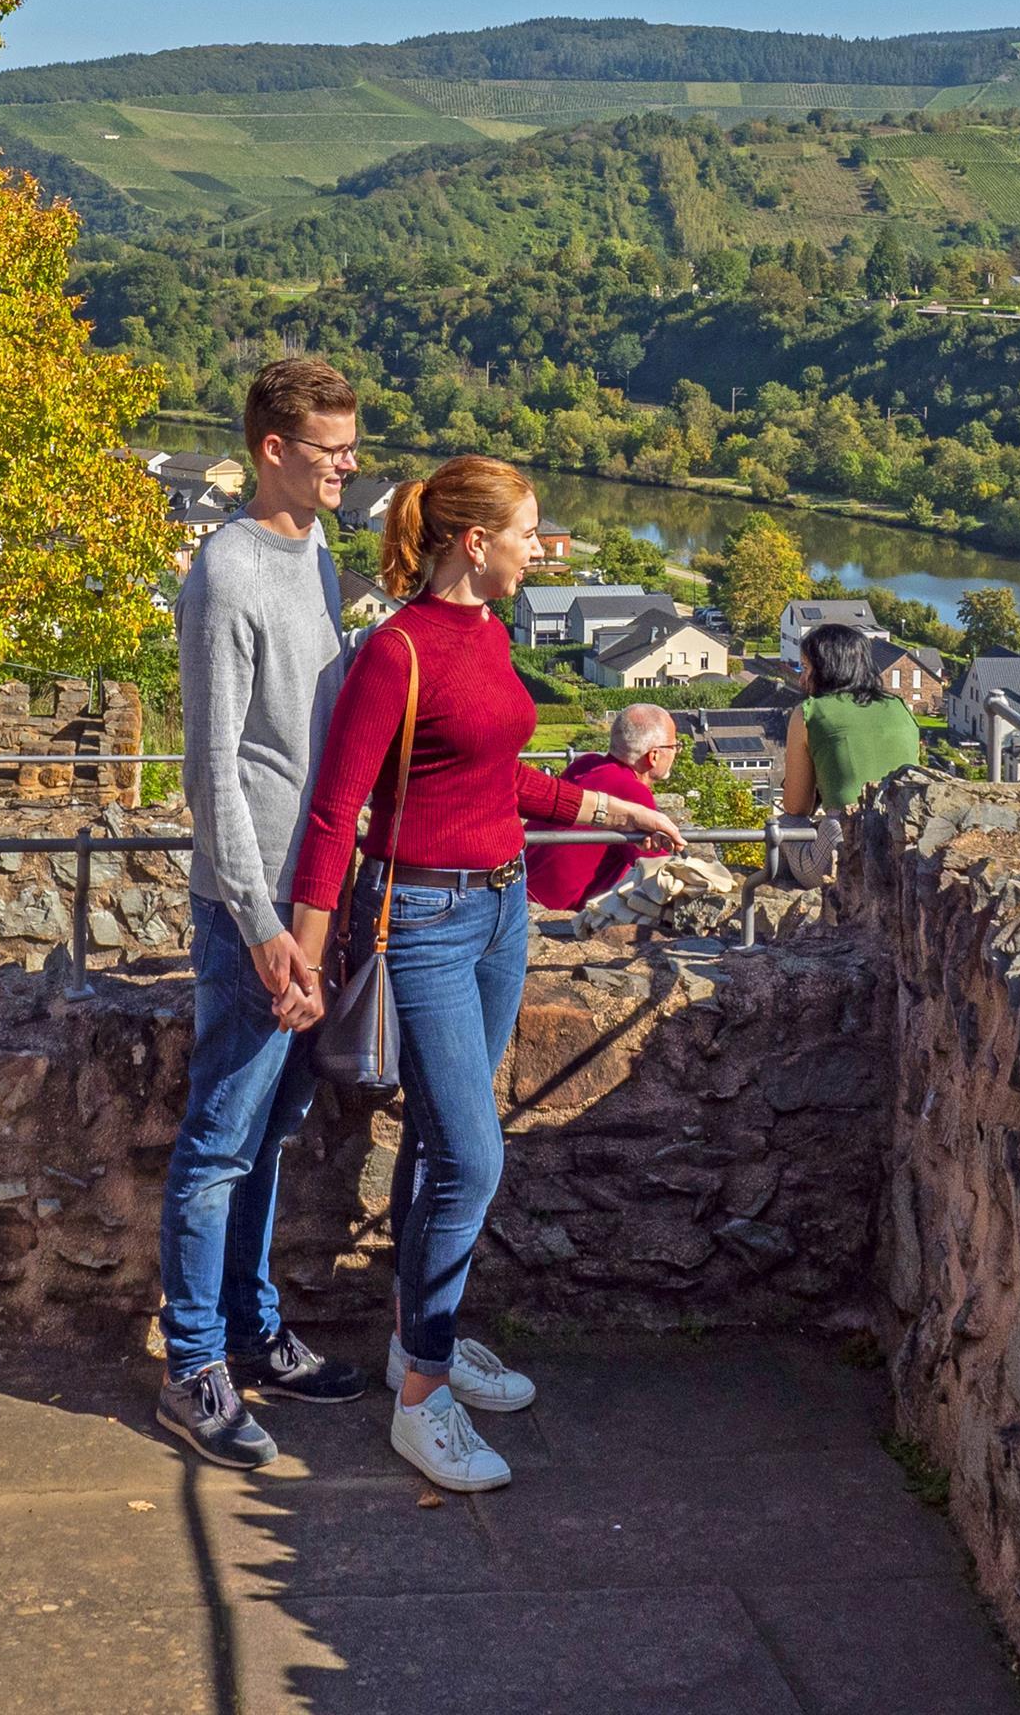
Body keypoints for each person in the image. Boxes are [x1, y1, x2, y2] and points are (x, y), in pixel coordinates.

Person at [288, 454, 681, 1493]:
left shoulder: (487, 635)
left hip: (504, 904)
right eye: (527, 533)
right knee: (470, 1158)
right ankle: (421, 1399)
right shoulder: (396, 652)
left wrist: (614, 811)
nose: (538, 549)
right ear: (475, 541)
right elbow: (337, 809)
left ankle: (419, 1339)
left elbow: (497, 775)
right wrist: (302, 944)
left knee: (434, 1144)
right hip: (418, 917)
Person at [153, 355, 376, 1470]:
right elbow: (215, 774)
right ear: (273, 451)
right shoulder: (227, 574)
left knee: (268, 1136)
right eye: (332, 449)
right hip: (260, 919)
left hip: (311, 901)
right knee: (217, 1144)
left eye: (352, 446)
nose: (350, 465)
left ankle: (246, 1329)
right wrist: (260, 925)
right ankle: (192, 1363)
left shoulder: (314, 549)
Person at [528, 702, 680, 912]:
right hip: (551, 914)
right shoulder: (633, 793)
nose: (676, 752)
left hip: (521, 888)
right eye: (674, 746)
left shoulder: (586, 763)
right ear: (653, 756)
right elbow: (658, 871)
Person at [778, 621, 928, 819]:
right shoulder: (900, 707)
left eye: (806, 668)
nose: (801, 679)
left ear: (826, 668)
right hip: (904, 830)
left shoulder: (809, 712)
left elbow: (796, 807)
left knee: (785, 827)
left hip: (849, 833)